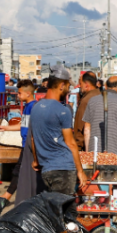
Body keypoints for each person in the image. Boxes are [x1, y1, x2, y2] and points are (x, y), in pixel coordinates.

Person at [29, 64, 90, 195]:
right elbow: (71, 143)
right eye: (68, 87)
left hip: (46, 170)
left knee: (53, 208)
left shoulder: (35, 108)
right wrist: (80, 171)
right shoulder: (63, 110)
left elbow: (33, 139)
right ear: (62, 85)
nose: (68, 90)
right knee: (65, 210)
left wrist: (36, 160)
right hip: (64, 170)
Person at [81, 75, 117, 164]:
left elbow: (87, 129)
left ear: (106, 86)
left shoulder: (92, 101)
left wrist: (88, 152)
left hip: (95, 154)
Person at [7, 80, 37, 199]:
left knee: (18, 171)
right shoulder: (27, 107)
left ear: (28, 93)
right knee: (21, 171)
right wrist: (5, 127)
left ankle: (6, 196)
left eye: (19, 93)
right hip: (25, 143)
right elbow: (23, 125)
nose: (18, 96)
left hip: (29, 145)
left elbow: (34, 128)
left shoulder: (33, 107)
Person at [71, 71, 99, 151]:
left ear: (86, 85)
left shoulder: (86, 100)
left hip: (85, 146)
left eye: (80, 84)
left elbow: (80, 127)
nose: (79, 86)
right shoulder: (100, 96)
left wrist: (78, 147)